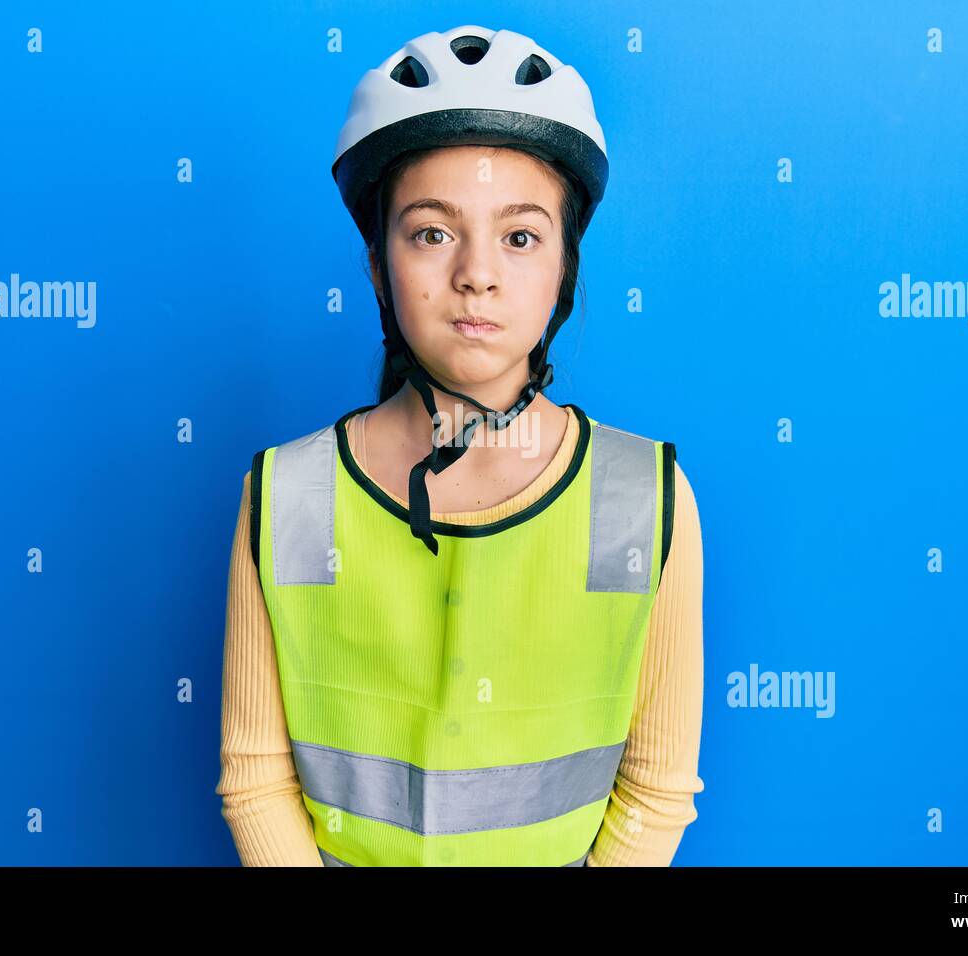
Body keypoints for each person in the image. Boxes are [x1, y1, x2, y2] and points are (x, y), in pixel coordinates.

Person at [216, 25, 704, 866]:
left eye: (520, 237)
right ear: (377, 267)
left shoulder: (645, 496)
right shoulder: (286, 493)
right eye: (431, 232)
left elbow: (657, 789)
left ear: (563, 272)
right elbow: (255, 779)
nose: (477, 273)